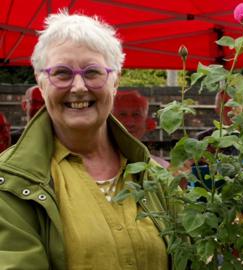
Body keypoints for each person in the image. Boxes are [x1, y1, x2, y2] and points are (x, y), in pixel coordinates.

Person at [0, 11, 170, 269]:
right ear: (41, 82)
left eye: (92, 72)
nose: (78, 86)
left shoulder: (154, 176)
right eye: (62, 73)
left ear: (115, 80)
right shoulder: (11, 182)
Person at [113, 90, 169, 168]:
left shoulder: (162, 168)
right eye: (122, 115)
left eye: (136, 115)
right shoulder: (94, 166)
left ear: (146, 123)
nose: (130, 123)